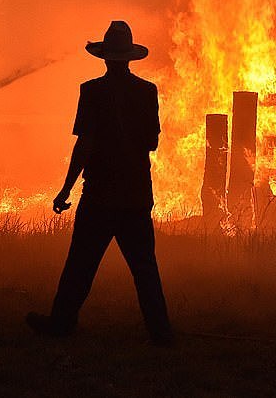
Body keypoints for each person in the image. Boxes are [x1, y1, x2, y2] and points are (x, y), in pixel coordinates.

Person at [26, 21, 173, 345]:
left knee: (80, 264)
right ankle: (161, 334)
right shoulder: (146, 92)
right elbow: (152, 142)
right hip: (135, 195)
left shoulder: (92, 91)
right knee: (145, 269)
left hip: (100, 195)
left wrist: (66, 189)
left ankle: (61, 324)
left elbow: (85, 144)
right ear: (129, 58)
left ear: (105, 58)